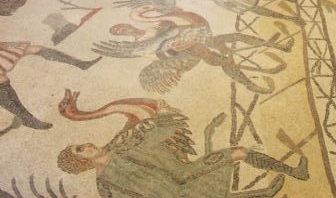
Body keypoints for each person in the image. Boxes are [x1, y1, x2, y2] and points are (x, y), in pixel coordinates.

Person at [57, 93, 309, 198]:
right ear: (82, 161)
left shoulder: (118, 149)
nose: (86, 144)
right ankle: (264, 194)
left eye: (80, 144)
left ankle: (294, 172)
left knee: (239, 152)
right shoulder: (107, 184)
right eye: (80, 149)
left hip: (186, 174)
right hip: (177, 194)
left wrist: (164, 116)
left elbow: (151, 138)